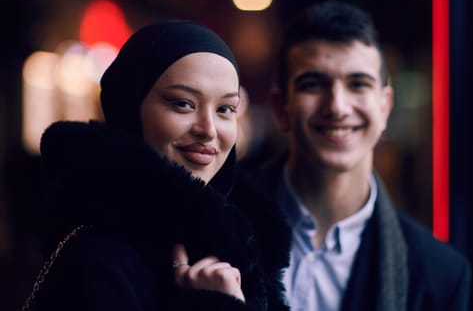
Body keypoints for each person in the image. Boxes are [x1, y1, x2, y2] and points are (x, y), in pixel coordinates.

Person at [23, 20, 291, 310]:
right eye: (183, 104)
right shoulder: (96, 262)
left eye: (225, 109)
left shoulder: (243, 251)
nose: (209, 129)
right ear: (129, 107)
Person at [257, 0, 471, 310]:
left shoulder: (441, 275)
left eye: (358, 84)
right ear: (280, 108)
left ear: (385, 106)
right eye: (314, 84)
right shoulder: (218, 222)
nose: (338, 107)